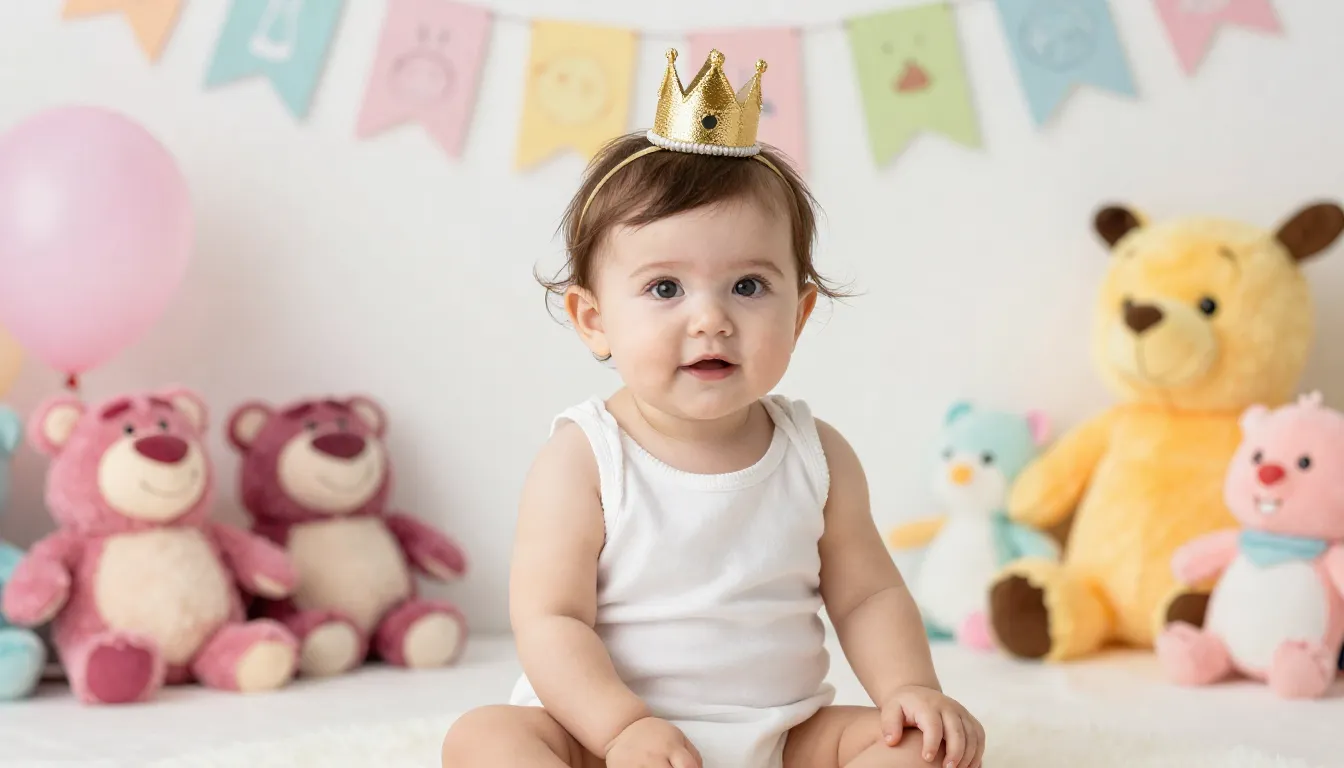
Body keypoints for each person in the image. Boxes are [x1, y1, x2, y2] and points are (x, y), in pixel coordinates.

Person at [441, 48, 985, 768]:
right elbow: (550, 619)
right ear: (593, 318)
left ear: (800, 313)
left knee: (925, 749)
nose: (711, 319)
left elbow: (869, 596)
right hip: (606, 740)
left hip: (782, 735)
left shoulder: (816, 454)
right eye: (665, 288)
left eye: (749, 287)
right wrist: (620, 728)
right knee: (484, 739)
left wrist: (912, 687)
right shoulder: (585, 457)